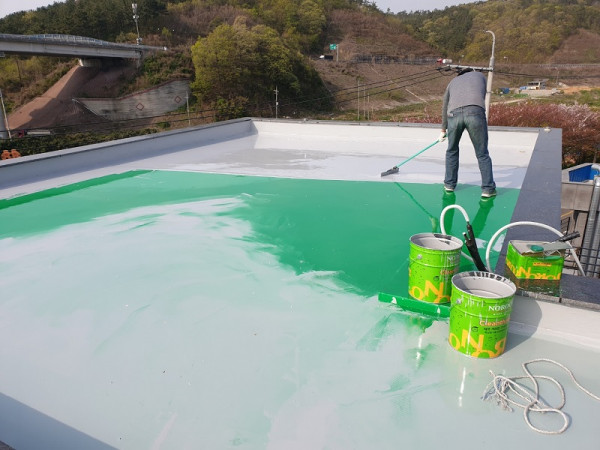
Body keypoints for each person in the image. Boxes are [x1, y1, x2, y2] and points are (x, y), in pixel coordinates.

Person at [439, 68, 496, 198]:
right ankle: (488, 189)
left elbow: (445, 105)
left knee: (452, 150)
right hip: (475, 113)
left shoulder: (452, 82)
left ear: (459, 75)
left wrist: (443, 129)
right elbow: (480, 96)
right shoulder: (480, 76)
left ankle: (449, 185)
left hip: (453, 115)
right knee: (482, 153)